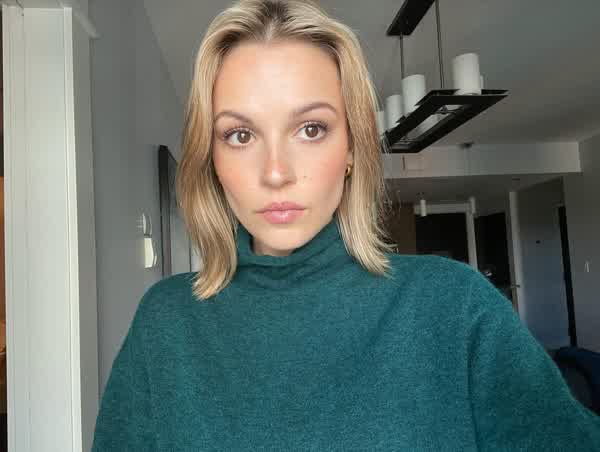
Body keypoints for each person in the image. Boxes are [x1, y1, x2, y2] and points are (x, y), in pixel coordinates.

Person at [91, 0, 600, 450]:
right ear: (212, 157)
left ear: (353, 146)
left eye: (311, 129)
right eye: (240, 135)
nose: (276, 172)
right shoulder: (166, 323)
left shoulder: (454, 307)